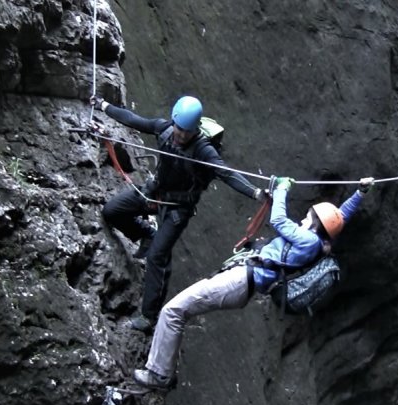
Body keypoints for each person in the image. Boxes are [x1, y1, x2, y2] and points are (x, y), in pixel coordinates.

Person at [132, 176, 375, 389]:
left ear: (316, 224)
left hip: (240, 280)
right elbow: (339, 217)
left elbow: (278, 220)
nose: (303, 218)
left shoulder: (308, 240)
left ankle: (159, 374)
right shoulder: (317, 241)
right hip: (241, 279)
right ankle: (162, 370)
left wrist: (281, 188)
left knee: (173, 311)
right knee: (178, 310)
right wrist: (360, 192)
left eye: (308, 216)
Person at [90, 94, 266, 333]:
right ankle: (146, 233)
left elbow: (227, 174)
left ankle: (149, 317)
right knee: (112, 211)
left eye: (186, 131)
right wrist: (104, 106)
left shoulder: (204, 151)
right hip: (154, 194)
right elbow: (133, 120)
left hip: (177, 209)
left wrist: (256, 193)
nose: (180, 134)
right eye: (179, 128)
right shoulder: (165, 129)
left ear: (195, 130)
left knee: (157, 257)